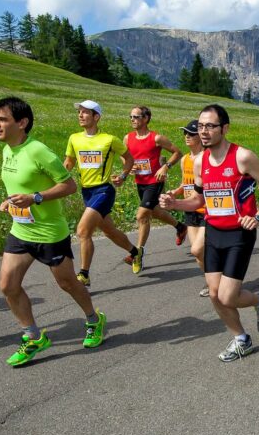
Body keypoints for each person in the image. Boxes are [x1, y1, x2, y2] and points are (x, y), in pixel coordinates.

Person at [159, 104, 259, 362]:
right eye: (201, 126)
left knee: (227, 295)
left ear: (224, 128)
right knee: (215, 294)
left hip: (239, 233)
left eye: (210, 126)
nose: (203, 131)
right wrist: (174, 204)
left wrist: (258, 217)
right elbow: (198, 200)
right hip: (213, 230)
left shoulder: (242, 157)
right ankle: (240, 338)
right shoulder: (199, 160)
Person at [0, 97, 106, 366]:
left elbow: (69, 187)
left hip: (49, 233)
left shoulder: (39, 151)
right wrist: (9, 201)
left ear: (22, 123)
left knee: (67, 283)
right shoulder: (8, 150)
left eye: (2, 119)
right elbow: (19, 185)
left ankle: (93, 319)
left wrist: (36, 198)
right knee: (8, 286)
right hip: (21, 231)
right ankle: (32, 337)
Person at [64, 100, 139, 286]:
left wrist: (123, 175)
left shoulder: (109, 139)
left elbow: (129, 159)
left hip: (104, 190)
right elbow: (69, 163)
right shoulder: (74, 138)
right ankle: (136, 253)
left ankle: (84, 274)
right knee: (109, 231)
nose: (80, 115)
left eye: (85, 112)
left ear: (96, 117)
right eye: (79, 112)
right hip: (87, 192)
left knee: (83, 231)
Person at [124, 105, 187, 274]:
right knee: (155, 211)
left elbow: (177, 152)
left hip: (155, 180)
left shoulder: (156, 138)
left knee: (142, 215)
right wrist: (129, 169)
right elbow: (127, 160)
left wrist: (165, 167)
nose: (132, 120)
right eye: (131, 116)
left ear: (146, 119)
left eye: (136, 117)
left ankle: (138, 253)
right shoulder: (127, 138)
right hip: (141, 181)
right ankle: (180, 226)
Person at [172, 120, 209, 296]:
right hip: (190, 209)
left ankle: (216, 278)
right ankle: (212, 280)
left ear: (200, 137)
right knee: (197, 254)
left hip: (205, 210)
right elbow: (185, 183)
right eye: (185, 133)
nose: (187, 136)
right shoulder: (185, 159)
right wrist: (175, 192)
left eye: (191, 133)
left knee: (197, 249)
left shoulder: (207, 158)